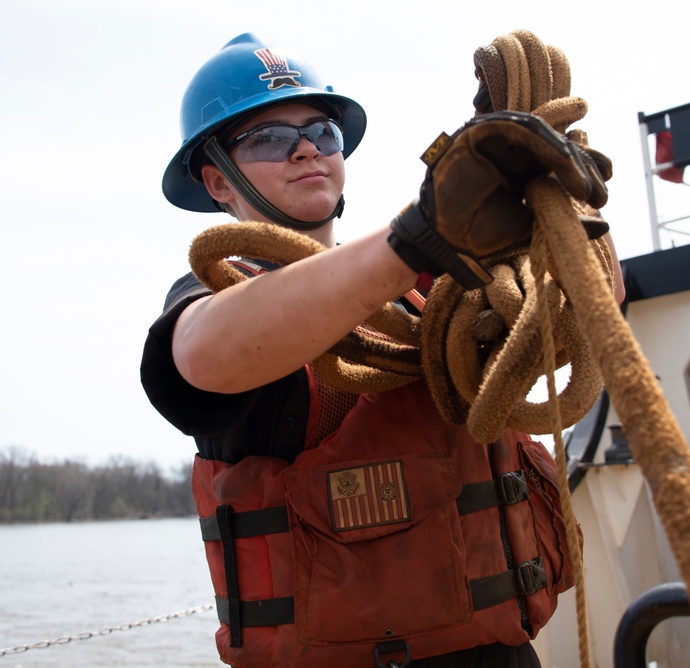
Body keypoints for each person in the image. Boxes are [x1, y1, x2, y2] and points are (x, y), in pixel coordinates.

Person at [141, 33, 620, 668]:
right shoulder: (218, 291)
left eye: (322, 132)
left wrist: (553, 201)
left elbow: (585, 310)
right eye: (269, 140)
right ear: (216, 182)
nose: (307, 148)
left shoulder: (429, 291)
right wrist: (422, 235)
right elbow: (201, 356)